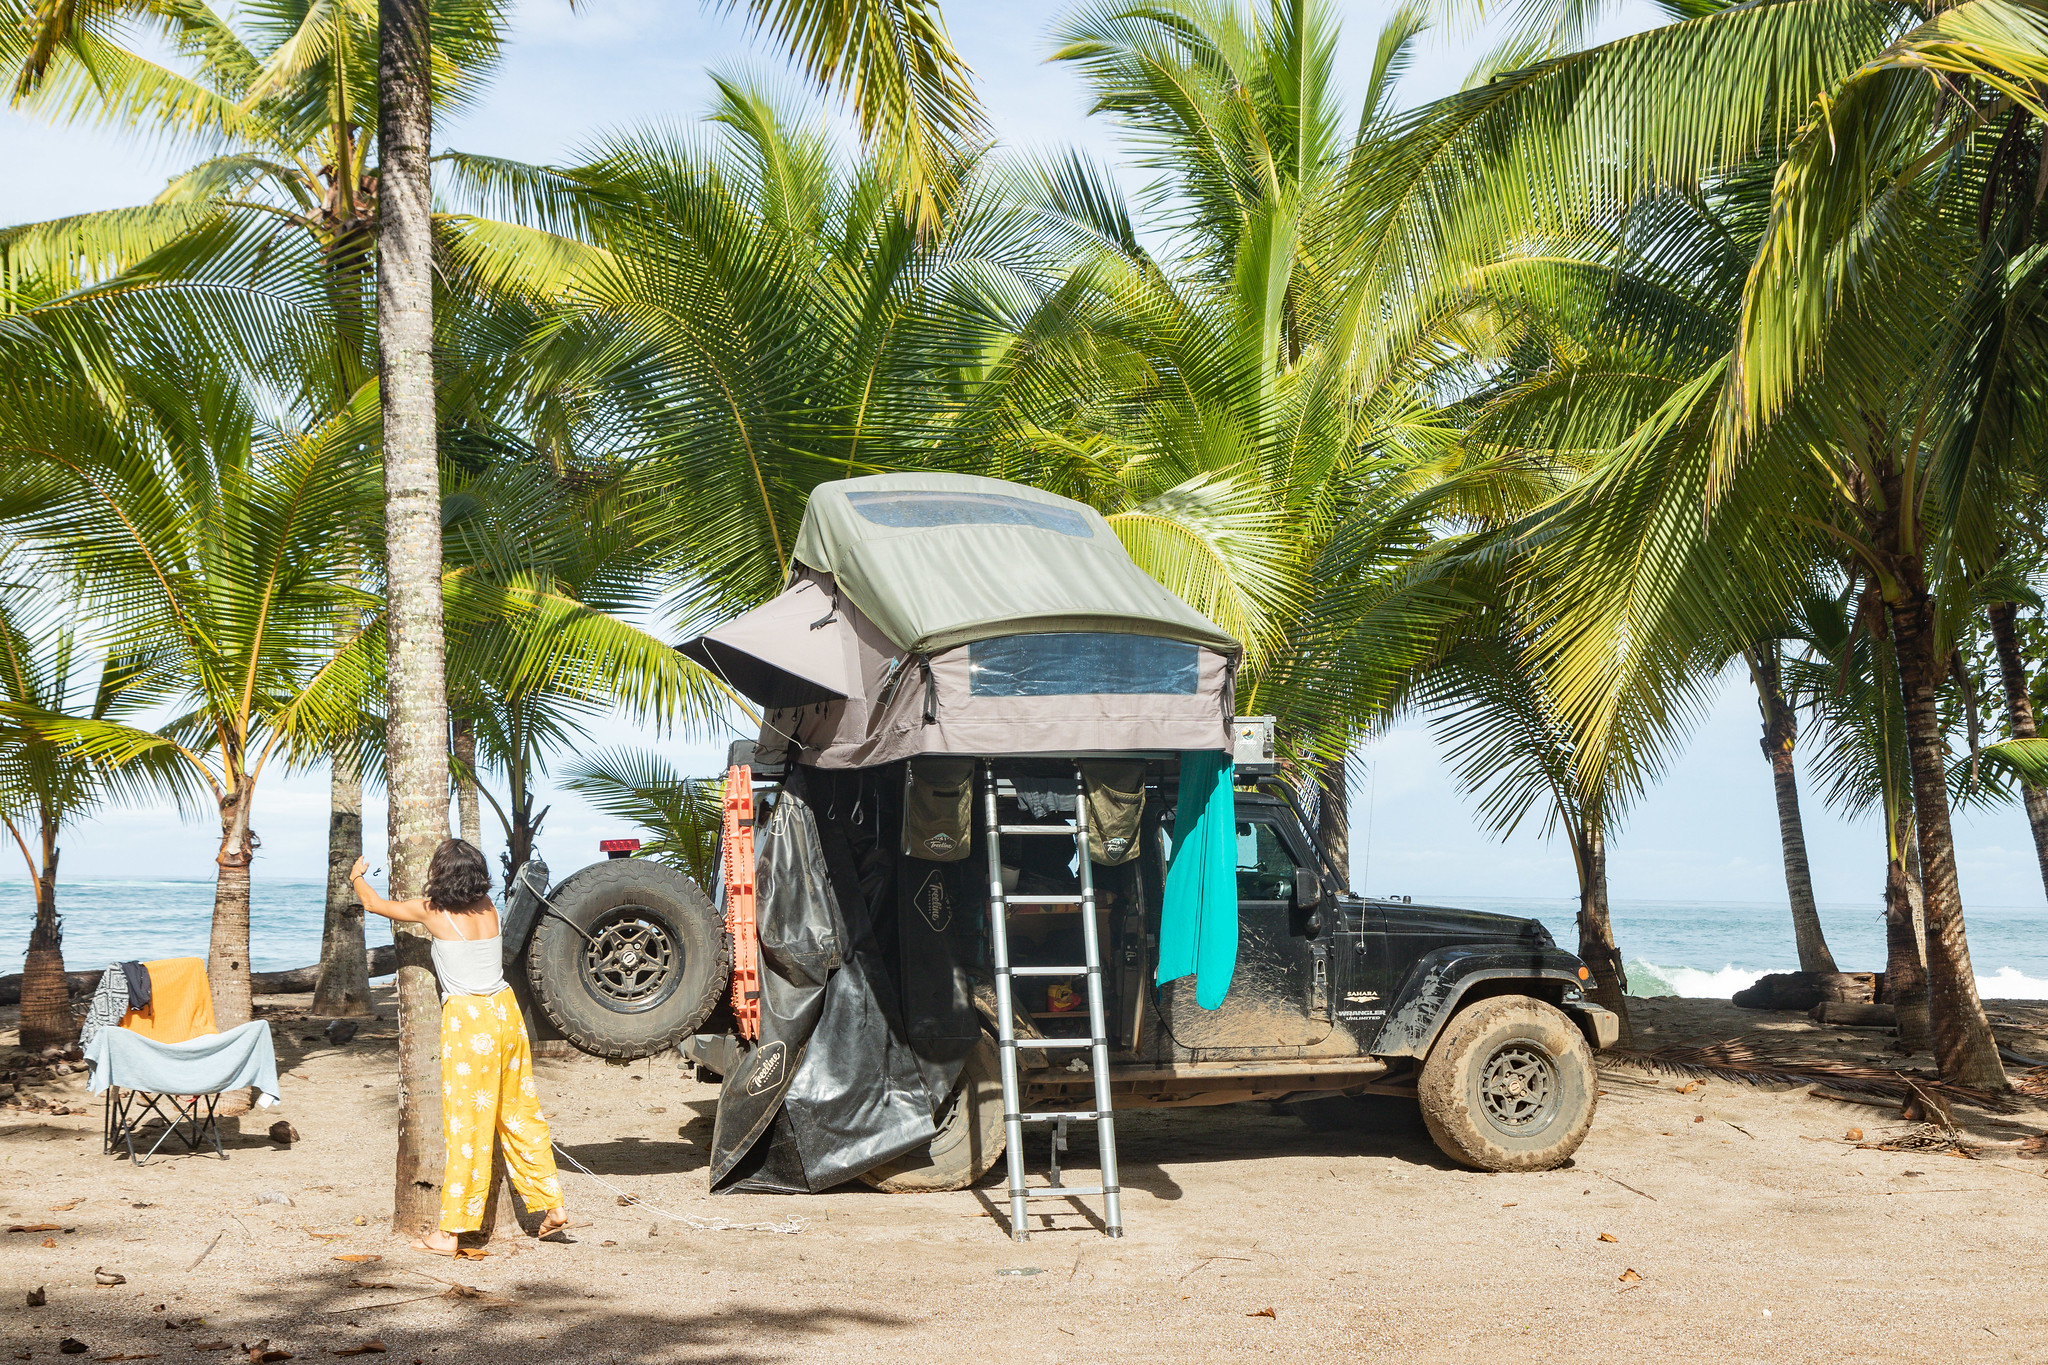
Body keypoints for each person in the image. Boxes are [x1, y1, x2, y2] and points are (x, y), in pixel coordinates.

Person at [351, 839, 570, 1253]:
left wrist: (357, 876)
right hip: (505, 1012)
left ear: (441, 874)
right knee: (520, 1113)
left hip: (470, 1020)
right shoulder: (489, 907)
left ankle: (450, 1231)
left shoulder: (431, 911)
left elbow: (374, 904)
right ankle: (552, 1205)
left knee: (467, 1127)